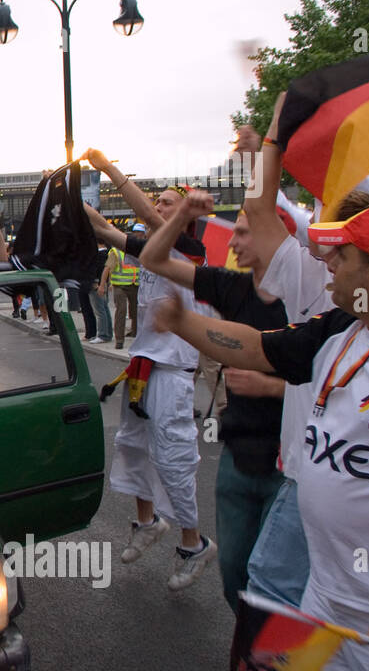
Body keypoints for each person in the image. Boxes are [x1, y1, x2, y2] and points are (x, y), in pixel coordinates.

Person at [152, 202, 369, 671]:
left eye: (343, 256)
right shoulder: (340, 328)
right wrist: (183, 323)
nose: (328, 263)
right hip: (322, 601)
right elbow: (257, 348)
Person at [234, 106, 369, 608]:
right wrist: (271, 142)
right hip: (304, 473)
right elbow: (262, 208)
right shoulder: (306, 273)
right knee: (287, 591)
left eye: (337, 242)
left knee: (273, 589)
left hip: (365, 494)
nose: (324, 249)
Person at [139, 189, 287, 612]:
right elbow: (153, 258)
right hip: (238, 458)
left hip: (289, 465)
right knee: (235, 575)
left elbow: (330, 386)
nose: (231, 241)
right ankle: (248, 646)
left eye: (243, 232)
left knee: (275, 581)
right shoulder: (232, 286)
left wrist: (272, 387)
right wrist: (183, 212)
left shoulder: (306, 300)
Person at [84, 147, 216, 590]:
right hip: (143, 368)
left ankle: (194, 544)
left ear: (186, 219)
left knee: (173, 456)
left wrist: (108, 169)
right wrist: (64, 190)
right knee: (132, 446)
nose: (158, 207)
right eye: (157, 200)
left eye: (167, 203)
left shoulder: (189, 251)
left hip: (173, 371)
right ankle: (147, 522)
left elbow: (148, 217)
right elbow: (101, 227)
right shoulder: (149, 251)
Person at [99, 239, 140, 349]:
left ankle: (135, 333)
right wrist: (102, 285)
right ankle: (119, 340)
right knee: (121, 311)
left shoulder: (136, 251)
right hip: (120, 286)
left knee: (136, 311)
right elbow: (107, 268)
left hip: (135, 285)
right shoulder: (116, 252)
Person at [87, 241, 114, 345]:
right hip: (103, 284)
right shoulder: (108, 253)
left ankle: (103, 335)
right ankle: (108, 333)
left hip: (96, 285)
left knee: (99, 310)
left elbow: (97, 270)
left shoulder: (99, 255)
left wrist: (96, 282)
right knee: (104, 309)